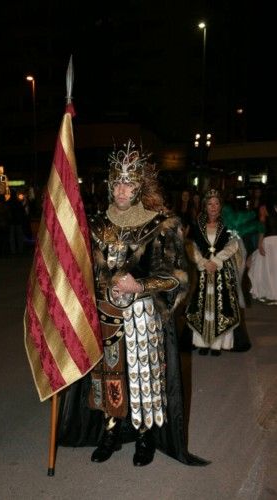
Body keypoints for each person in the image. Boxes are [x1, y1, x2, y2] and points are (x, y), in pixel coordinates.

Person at [58, 140, 209, 467]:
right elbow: (86, 270)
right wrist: (100, 286)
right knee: (110, 376)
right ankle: (110, 431)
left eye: (128, 183)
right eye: (116, 183)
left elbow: (179, 277)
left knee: (144, 376)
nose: (121, 190)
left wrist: (140, 284)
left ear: (140, 186)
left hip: (144, 317)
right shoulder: (97, 224)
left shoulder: (161, 224)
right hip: (107, 315)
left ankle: (145, 437)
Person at [185, 189, 250, 356]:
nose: (213, 207)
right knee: (201, 305)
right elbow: (191, 245)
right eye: (210, 203)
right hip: (203, 271)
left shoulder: (227, 224)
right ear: (205, 206)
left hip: (222, 271)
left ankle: (218, 344)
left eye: (216, 203)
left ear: (220, 206)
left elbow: (233, 245)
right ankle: (203, 342)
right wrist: (202, 261)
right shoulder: (197, 224)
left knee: (222, 306)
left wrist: (217, 260)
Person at [248, 188, 277, 304]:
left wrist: (259, 243)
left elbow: (262, 227)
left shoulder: (264, 208)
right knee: (273, 269)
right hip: (273, 242)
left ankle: (268, 292)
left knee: (264, 268)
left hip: (269, 241)